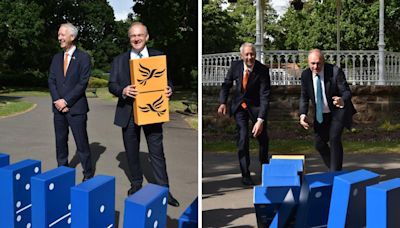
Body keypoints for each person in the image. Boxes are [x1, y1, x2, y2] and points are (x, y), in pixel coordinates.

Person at [108, 22, 179, 207]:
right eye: (133, 36)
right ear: (129, 38)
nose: (136, 39)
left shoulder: (158, 56)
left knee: (157, 152)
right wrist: (123, 90)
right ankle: (136, 184)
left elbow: (168, 80)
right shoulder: (119, 60)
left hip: (152, 112)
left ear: (147, 37)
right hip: (128, 112)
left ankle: (164, 190)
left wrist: (169, 89)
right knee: (131, 151)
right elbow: (112, 85)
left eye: (140, 35)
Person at [217, 42, 271, 186]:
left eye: (252, 54)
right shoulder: (235, 66)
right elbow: (226, 84)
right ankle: (245, 174)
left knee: (263, 140)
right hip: (239, 107)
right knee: (242, 138)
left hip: (256, 107)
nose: (250, 57)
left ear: (255, 54)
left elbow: (265, 95)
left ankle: (265, 169)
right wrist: (223, 102)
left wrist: (260, 119)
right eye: (246, 54)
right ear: (242, 56)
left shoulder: (262, 70)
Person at [48, 23, 94, 181]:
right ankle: (62, 170)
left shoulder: (84, 58)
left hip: (76, 109)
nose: (59, 37)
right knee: (60, 142)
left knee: (81, 144)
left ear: (72, 37)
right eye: (58, 34)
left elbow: (82, 84)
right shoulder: (56, 58)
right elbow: (51, 81)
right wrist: (57, 101)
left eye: (62, 34)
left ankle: (88, 174)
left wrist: (66, 101)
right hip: (58, 109)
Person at [299, 49, 357, 171]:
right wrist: (302, 114)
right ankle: (335, 169)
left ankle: (334, 173)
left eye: (318, 63)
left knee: (334, 138)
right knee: (319, 144)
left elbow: (346, 91)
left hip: (338, 111)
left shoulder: (335, 71)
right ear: (308, 62)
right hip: (321, 114)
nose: (316, 66)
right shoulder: (305, 75)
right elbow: (304, 96)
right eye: (312, 63)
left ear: (323, 62)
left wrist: (342, 99)